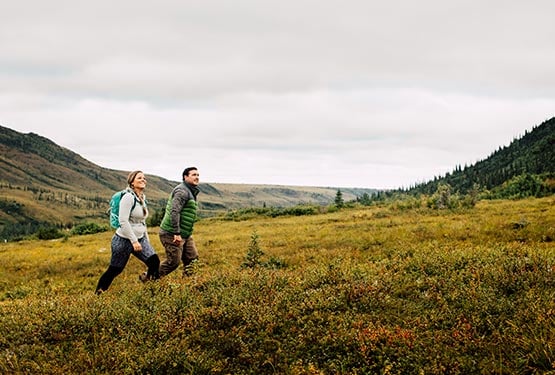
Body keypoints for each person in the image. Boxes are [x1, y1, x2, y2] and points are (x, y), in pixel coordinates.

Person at [96, 170, 160, 294]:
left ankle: (154, 293)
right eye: (139, 178)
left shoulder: (141, 198)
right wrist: (134, 241)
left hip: (140, 238)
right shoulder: (128, 197)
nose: (143, 180)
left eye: (144, 178)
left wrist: (145, 238)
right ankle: (98, 295)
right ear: (132, 182)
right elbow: (123, 221)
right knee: (115, 269)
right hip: (123, 240)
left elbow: (142, 221)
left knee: (154, 262)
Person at [157, 167, 200, 278]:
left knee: (192, 259)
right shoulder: (182, 191)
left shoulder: (190, 190)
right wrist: (176, 232)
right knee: (173, 262)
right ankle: (149, 278)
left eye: (198, 175)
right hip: (171, 233)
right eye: (194, 175)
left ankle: (188, 285)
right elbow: (174, 211)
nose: (197, 177)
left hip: (185, 234)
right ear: (185, 177)